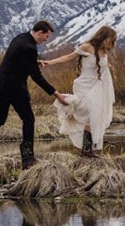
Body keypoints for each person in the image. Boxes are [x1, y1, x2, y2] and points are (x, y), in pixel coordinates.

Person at [0, 20, 68, 168]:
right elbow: (36, 77)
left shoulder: (21, 38)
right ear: (40, 32)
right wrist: (56, 93)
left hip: (2, 83)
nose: (45, 40)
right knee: (29, 119)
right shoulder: (29, 48)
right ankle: (28, 158)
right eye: (45, 37)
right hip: (13, 87)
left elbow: (19, 62)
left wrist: (33, 63)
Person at [41, 25, 117, 157]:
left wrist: (108, 66)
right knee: (88, 112)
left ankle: (87, 151)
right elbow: (68, 57)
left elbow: (101, 65)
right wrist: (49, 62)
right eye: (111, 39)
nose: (112, 43)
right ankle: (67, 104)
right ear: (103, 36)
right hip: (84, 85)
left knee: (93, 116)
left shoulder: (104, 52)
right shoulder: (87, 47)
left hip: (96, 87)